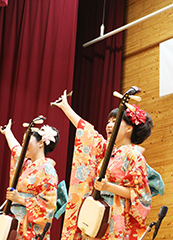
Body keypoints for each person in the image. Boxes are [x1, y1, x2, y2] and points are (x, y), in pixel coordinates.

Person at [52, 90, 154, 240]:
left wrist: (108, 187)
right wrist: (66, 107)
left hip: (117, 214)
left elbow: (141, 195)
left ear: (129, 128)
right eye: (109, 121)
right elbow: (88, 133)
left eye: (115, 121)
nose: (109, 125)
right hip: (97, 212)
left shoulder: (134, 155)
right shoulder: (108, 150)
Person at [0, 119, 59, 240]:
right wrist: (8, 132)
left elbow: (49, 205)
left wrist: (19, 198)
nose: (23, 145)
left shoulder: (47, 169)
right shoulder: (26, 164)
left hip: (30, 227)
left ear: (41, 143)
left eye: (27, 141)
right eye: (23, 141)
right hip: (15, 222)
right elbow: (16, 149)